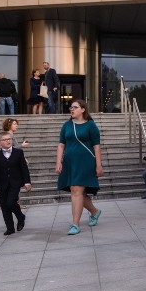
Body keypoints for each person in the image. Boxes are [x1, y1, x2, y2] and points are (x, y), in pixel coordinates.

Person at [56, 99, 102, 235]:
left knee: (76, 190)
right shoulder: (67, 125)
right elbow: (61, 145)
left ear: (83, 110)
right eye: (71, 107)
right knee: (77, 192)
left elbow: (97, 147)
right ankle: (95, 211)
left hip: (85, 162)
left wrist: (98, 165)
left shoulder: (91, 125)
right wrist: (58, 162)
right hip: (70, 162)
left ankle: (75, 224)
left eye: (75, 107)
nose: (72, 109)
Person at [0, 131, 30, 235]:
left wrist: (27, 182)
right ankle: (10, 228)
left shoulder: (18, 153)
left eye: (10, 139)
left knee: (10, 202)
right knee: (4, 206)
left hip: (15, 183)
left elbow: (24, 169)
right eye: (5, 139)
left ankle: (20, 216)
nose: (8, 141)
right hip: (1, 184)